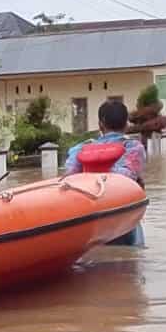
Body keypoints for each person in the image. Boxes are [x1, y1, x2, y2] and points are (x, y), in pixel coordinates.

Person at [64, 100, 146, 247]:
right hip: (122, 216)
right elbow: (126, 178)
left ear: (100, 124)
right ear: (126, 124)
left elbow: (69, 178)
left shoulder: (80, 148)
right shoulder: (134, 147)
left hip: (89, 216)